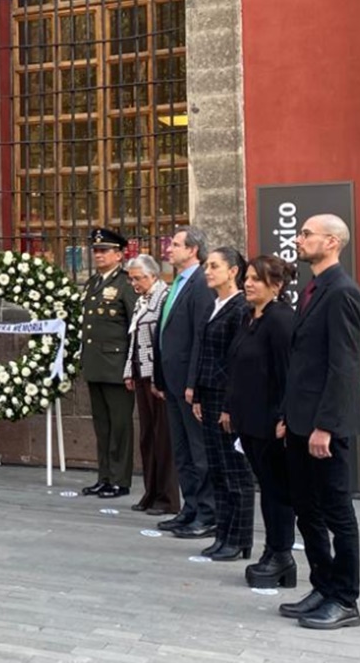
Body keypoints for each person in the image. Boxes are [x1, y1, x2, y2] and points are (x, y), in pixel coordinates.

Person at [277, 214, 360, 630]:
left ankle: (345, 598)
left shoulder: (342, 292)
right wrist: (286, 414)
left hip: (324, 426)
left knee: (336, 511)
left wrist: (326, 426)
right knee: (306, 508)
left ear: (331, 242)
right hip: (299, 421)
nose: (299, 238)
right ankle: (323, 584)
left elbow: (343, 366)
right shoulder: (310, 289)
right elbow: (302, 362)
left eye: (307, 234)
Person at [230, 255, 297, 588]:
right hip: (249, 420)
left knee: (276, 491)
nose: (248, 283)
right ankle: (272, 551)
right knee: (266, 488)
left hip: (271, 422)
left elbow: (289, 373)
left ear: (277, 285)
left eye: (256, 279)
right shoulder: (249, 317)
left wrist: (285, 417)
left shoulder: (282, 321)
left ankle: (282, 554)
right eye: (247, 277)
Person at [188, 247, 253, 558]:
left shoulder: (241, 308)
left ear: (233, 271)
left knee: (235, 471)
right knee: (217, 469)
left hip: (228, 399)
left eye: (214, 266)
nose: (207, 272)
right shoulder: (213, 306)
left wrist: (230, 405)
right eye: (206, 266)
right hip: (209, 395)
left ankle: (240, 540)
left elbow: (237, 361)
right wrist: (198, 394)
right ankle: (223, 534)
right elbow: (204, 353)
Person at [152, 225, 217, 538]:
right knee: (182, 451)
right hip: (172, 381)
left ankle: (207, 513)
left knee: (198, 450)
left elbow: (199, 338)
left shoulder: (201, 285)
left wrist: (195, 382)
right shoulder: (175, 282)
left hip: (189, 383)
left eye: (175, 244)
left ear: (193, 250)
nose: (169, 249)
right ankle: (189, 508)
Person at [80, 228, 137, 499]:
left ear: (119, 254)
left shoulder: (126, 284)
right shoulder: (93, 283)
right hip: (96, 364)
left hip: (117, 366)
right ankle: (104, 476)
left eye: (105, 251)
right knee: (102, 426)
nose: (99, 255)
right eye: (96, 251)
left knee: (120, 426)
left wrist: (131, 366)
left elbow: (133, 327)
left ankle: (120, 479)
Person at [122, 253, 179, 516]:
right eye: (132, 278)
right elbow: (134, 338)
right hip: (140, 374)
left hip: (156, 377)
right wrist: (128, 371)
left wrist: (159, 377)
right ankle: (150, 491)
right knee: (147, 436)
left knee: (163, 437)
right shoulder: (141, 300)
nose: (134, 283)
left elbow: (163, 341)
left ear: (153, 275)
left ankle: (167, 497)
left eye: (139, 278)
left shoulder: (164, 298)